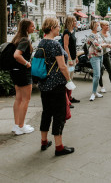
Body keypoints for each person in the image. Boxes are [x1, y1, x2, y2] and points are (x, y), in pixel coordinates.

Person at [36, 17, 75, 156]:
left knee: (46, 112)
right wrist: (69, 80)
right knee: (59, 114)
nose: (59, 28)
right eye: (58, 26)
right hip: (56, 84)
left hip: (44, 83)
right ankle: (59, 146)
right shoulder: (54, 44)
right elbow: (62, 66)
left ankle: (44, 141)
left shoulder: (41, 42)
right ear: (52, 28)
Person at [10, 19, 36, 134]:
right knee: (26, 99)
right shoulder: (25, 40)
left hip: (15, 71)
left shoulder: (17, 38)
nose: (34, 28)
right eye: (32, 26)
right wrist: (27, 63)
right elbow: (17, 55)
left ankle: (17, 125)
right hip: (23, 72)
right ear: (26, 28)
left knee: (18, 98)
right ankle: (21, 126)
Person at [61, 16, 80, 104]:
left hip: (72, 58)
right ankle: (66, 100)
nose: (76, 22)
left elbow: (73, 46)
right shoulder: (66, 32)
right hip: (68, 60)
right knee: (68, 78)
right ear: (70, 22)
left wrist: (75, 57)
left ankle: (69, 97)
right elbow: (66, 46)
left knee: (71, 78)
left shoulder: (73, 31)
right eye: (75, 21)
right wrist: (69, 59)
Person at [86, 20, 105, 101]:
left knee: (98, 74)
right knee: (97, 75)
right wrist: (104, 45)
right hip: (94, 56)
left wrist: (103, 45)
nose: (99, 27)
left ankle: (95, 92)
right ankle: (93, 93)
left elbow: (103, 43)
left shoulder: (98, 34)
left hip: (100, 55)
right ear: (94, 26)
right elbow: (98, 46)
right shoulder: (91, 35)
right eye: (98, 25)